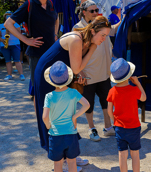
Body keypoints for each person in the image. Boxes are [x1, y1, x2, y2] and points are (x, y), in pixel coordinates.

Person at [34, 16, 111, 157]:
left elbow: (76, 66)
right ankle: (59, 157)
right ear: (93, 31)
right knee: (54, 114)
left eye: (106, 36)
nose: (104, 39)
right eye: (103, 35)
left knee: (66, 112)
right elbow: (76, 69)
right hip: (47, 74)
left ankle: (70, 155)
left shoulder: (85, 40)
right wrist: (93, 49)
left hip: (60, 75)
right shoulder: (77, 39)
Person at [73, 1, 121, 142]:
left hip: (104, 73)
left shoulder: (101, 24)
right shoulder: (77, 28)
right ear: (84, 12)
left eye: (96, 10)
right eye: (92, 10)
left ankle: (108, 127)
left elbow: (113, 29)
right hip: (87, 74)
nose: (95, 13)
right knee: (89, 104)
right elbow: (74, 53)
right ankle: (91, 128)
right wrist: (79, 73)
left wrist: (124, 16)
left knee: (106, 101)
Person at [4, 0, 59, 98]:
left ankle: (51, 115)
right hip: (36, 54)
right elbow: (8, 24)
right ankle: (41, 116)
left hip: (52, 52)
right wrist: (25, 40)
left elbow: (56, 19)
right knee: (39, 88)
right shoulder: (29, 5)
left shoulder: (50, 4)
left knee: (54, 86)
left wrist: (55, 34)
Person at [43, 61, 90, 172]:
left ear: (51, 80)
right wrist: (74, 116)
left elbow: (45, 117)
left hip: (55, 135)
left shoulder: (49, 96)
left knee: (57, 164)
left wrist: (49, 126)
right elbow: (87, 104)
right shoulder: (73, 92)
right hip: (71, 135)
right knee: (72, 163)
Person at [107, 58, 147, 172]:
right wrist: (138, 83)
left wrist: (114, 122)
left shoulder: (112, 91)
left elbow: (109, 110)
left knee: (122, 155)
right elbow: (143, 98)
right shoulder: (133, 89)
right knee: (135, 154)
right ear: (129, 76)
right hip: (134, 127)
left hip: (119, 127)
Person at [0, 11, 25, 81]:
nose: (8, 16)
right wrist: (2, 40)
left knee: (17, 60)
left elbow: (19, 34)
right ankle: (9, 75)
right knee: (7, 61)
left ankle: (21, 75)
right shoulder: (1, 25)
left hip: (15, 44)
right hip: (4, 45)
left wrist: (10, 30)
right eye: (7, 15)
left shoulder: (16, 25)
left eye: (9, 15)